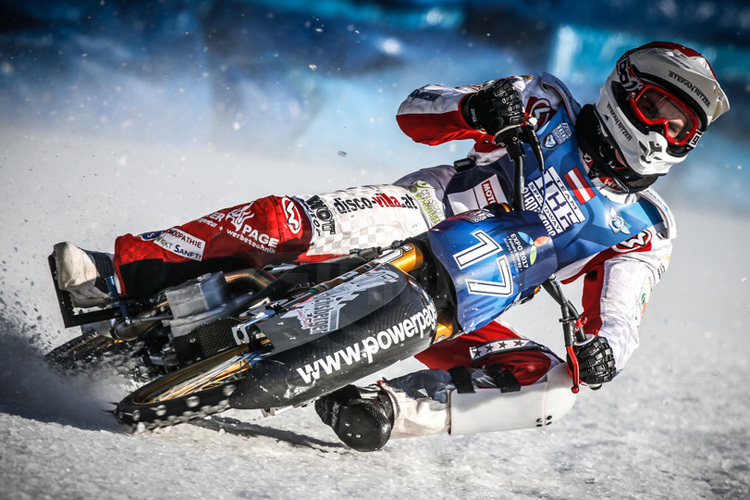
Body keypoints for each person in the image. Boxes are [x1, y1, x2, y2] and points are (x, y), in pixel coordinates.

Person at [54, 41, 729, 451]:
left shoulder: (644, 225)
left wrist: (604, 347)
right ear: (625, 92)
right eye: (660, 114)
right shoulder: (541, 100)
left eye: (684, 129)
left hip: (463, 309)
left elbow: (621, 313)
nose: (667, 136)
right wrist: (473, 110)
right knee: (288, 220)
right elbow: (416, 109)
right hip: (416, 217)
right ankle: (123, 273)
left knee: (556, 385)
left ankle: (386, 408)